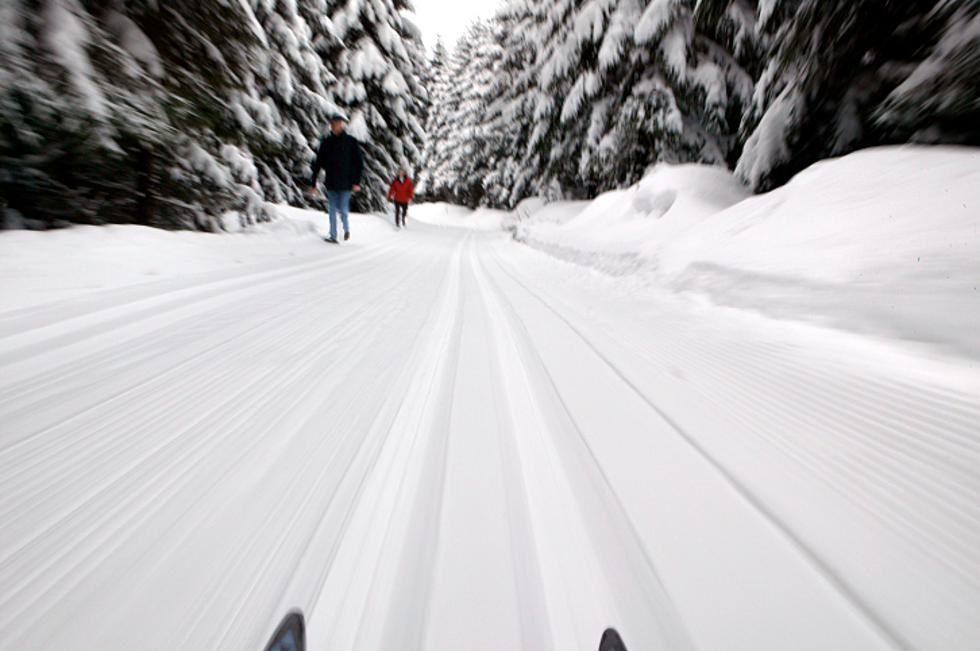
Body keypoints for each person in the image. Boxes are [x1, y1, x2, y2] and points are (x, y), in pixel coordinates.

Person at [310, 112, 363, 243]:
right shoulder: (327, 143)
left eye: (337, 124)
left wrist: (356, 182)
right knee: (332, 211)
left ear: (342, 125)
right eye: (332, 124)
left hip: (346, 183)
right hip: (332, 183)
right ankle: (333, 235)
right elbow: (318, 163)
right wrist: (313, 183)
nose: (334, 126)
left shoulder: (350, 142)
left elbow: (359, 163)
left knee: (343, 211)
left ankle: (346, 230)